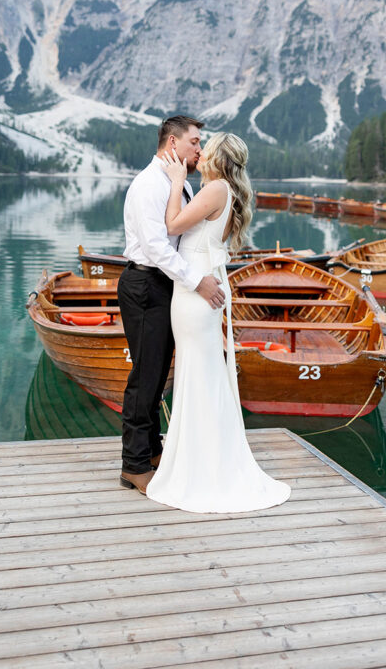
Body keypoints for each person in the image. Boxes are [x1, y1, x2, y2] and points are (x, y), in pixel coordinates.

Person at [146, 131, 291, 513]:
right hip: (205, 284)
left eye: (204, 149)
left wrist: (177, 183)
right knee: (203, 373)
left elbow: (173, 226)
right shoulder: (227, 192)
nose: (199, 153)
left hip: (195, 291)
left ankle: (200, 468)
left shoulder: (214, 190)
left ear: (215, 156)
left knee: (198, 373)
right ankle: (206, 459)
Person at [118, 116, 226, 494]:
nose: (200, 149)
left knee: (157, 373)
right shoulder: (150, 184)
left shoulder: (175, 182)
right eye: (195, 142)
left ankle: (151, 451)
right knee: (145, 377)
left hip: (163, 286)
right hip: (145, 284)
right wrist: (197, 281)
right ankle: (133, 465)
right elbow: (156, 248)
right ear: (173, 144)